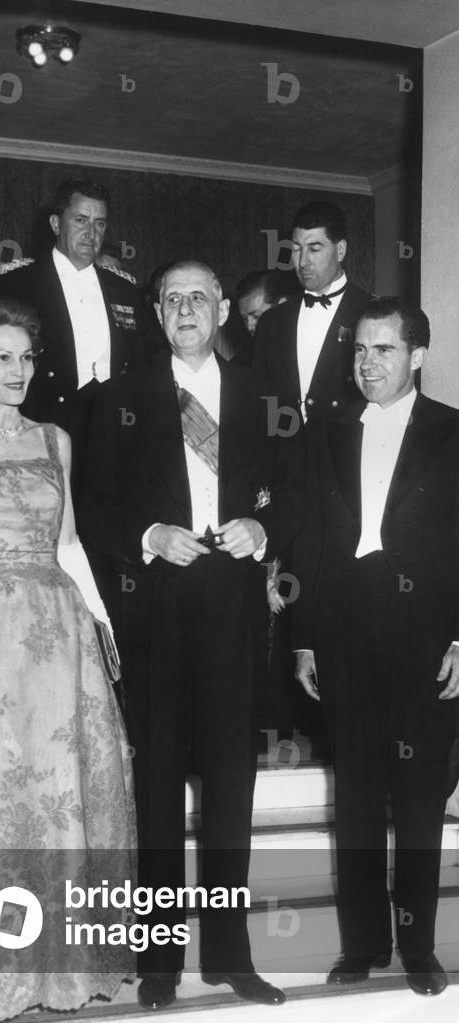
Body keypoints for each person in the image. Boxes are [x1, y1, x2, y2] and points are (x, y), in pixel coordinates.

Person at [81, 261, 304, 1009]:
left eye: (198, 298)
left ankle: (231, 955)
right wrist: (148, 533)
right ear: (154, 311)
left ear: (220, 312)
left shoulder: (265, 398)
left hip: (234, 611)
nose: (184, 309)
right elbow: (90, 504)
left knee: (230, 787)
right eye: (171, 297)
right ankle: (158, 960)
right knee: (154, 787)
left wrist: (263, 525)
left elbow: (303, 492)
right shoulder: (115, 399)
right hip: (154, 610)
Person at [0, 295, 135, 1021]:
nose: (17, 370)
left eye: (26, 357)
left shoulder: (55, 440)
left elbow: (68, 543)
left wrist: (102, 622)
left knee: (56, 793)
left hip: (58, 632)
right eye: (1, 357)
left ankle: (61, 965)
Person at [293, 297, 459, 997]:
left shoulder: (453, 432)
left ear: (416, 355)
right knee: (356, 799)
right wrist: (302, 636)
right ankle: (361, 942)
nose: (366, 364)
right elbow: (306, 537)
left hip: (425, 633)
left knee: (419, 800)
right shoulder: (323, 431)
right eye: (358, 350)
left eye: (383, 350)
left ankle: (418, 945)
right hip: (343, 631)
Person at [0, 178, 154, 498]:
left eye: (99, 223)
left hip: (115, 438)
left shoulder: (124, 290)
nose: (91, 233)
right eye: (80, 220)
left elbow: (143, 365)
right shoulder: (18, 285)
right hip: (42, 434)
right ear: (55, 223)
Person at [253, 201, 373, 425]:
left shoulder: (372, 313)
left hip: (345, 451)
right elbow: (260, 398)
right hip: (284, 452)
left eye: (314, 249)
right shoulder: (272, 321)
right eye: (297, 249)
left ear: (340, 250)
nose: (302, 262)